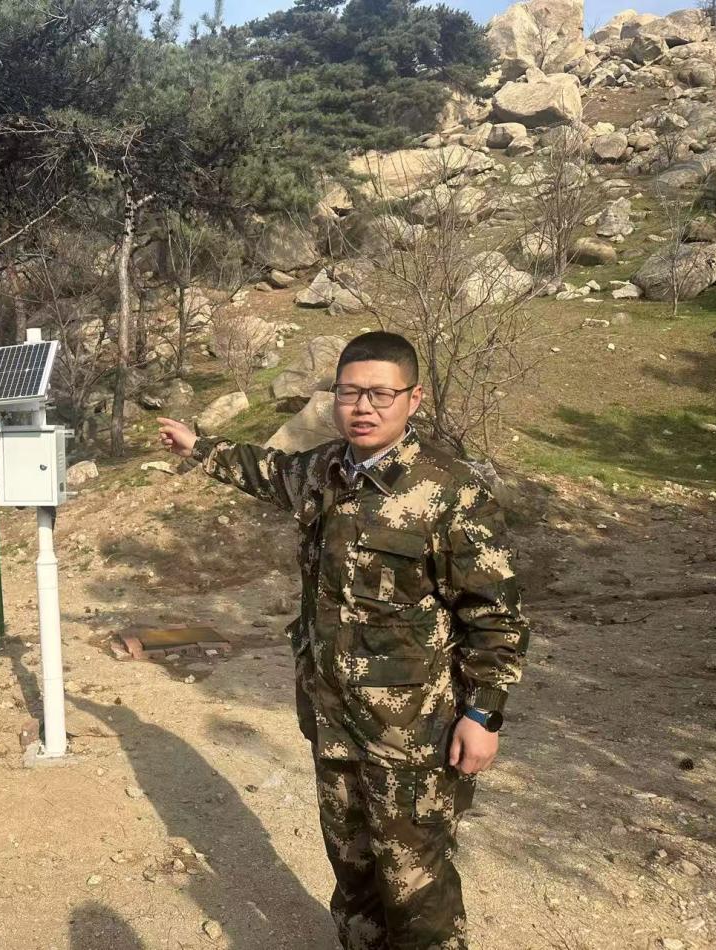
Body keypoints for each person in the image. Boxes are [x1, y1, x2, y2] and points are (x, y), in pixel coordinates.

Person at [157, 331, 529, 950]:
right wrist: (200, 447)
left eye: (381, 394)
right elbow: (265, 470)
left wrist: (484, 714)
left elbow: (496, 616)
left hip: (411, 735)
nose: (364, 407)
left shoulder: (451, 492)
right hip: (331, 719)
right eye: (350, 392)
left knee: (415, 889)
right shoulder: (323, 470)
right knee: (353, 873)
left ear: (413, 399)